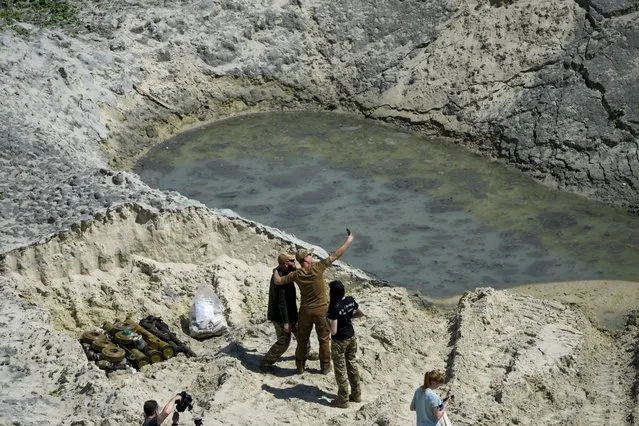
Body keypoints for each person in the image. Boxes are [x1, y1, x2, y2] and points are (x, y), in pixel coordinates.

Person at [273, 230, 355, 374]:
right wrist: (348, 241)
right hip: (321, 310)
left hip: (305, 311)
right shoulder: (318, 267)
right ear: (306, 259)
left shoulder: (296, 274)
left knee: (302, 339)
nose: (312, 256)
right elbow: (336, 255)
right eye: (310, 255)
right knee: (324, 339)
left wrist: (276, 269)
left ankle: (300, 366)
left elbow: (278, 281)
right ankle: (324, 366)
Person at [260, 252, 309, 371]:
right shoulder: (280, 278)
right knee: (283, 342)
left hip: (291, 312)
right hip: (281, 316)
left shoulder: (283, 270)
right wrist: (286, 322)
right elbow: (282, 303)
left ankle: (306, 354)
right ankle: (267, 362)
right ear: (284, 264)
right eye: (291, 261)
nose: (294, 263)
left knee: (302, 336)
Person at [326, 280, 364, 408]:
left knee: (340, 369)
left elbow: (333, 330)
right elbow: (361, 313)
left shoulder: (334, 307)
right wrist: (348, 318)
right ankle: (356, 394)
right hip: (351, 336)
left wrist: (326, 320)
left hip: (339, 341)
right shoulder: (350, 300)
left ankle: (343, 399)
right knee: (352, 365)